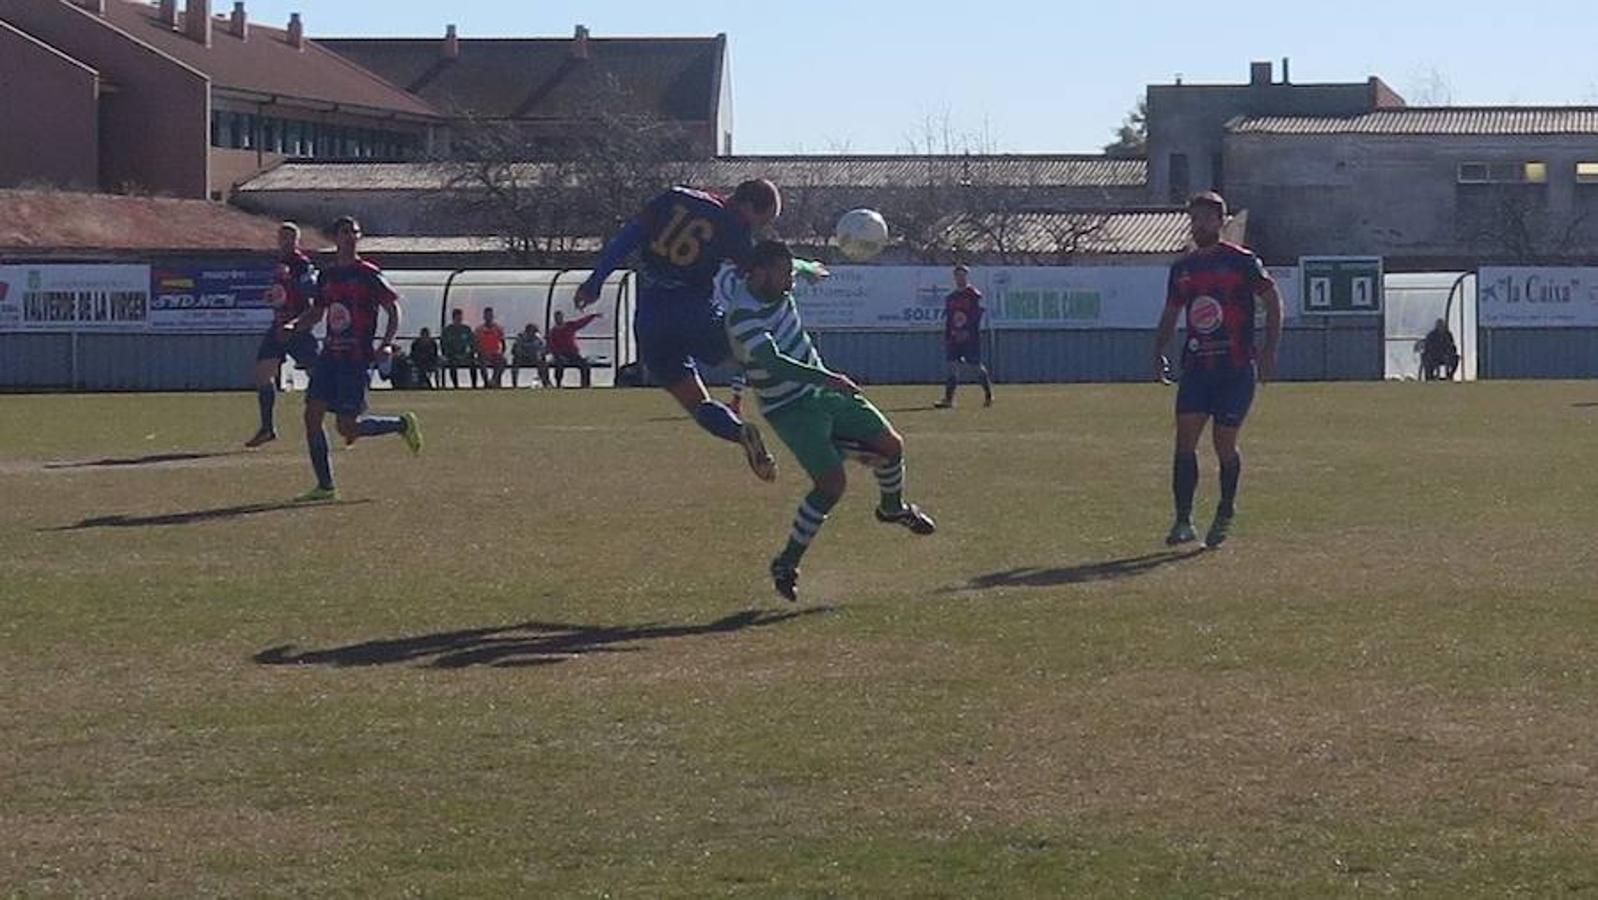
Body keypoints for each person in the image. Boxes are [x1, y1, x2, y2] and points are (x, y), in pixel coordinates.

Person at [725, 239, 936, 602]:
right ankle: (786, 563)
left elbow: (803, 266)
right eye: (784, 275)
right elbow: (771, 362)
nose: (791, 282)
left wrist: (813, 269)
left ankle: (891, 509)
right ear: (758, 274)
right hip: (789, 407)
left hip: (822, 391)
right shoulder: (742, 314)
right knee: (831, 485)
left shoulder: (782, 276)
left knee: (892, 446)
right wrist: (828, 378)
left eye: (792, 274)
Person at [572, 179, 795, 480]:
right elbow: (758, 276)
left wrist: (595, 282)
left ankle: (740, 432)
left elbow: (627, 239)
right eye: (762, 220)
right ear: (749, 207)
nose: (756, 229)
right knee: (753, 358)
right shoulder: (734, 227)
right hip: (694, 312)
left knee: (697, 403)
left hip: (650, 318)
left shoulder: (675, 197)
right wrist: (795, 274)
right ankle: (817, 418)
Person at [1151, 192, 1283, 550]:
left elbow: (1272, 301)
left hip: (1235, 369)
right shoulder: (1183, 269)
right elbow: (1171, 313)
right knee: (1184, 441)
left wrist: (1270, 350)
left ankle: (1225, 512)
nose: (1199, 225)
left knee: (1224, 443)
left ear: (1221, 223)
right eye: (1194, 219)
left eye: (1206, 219)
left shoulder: (1242, 262)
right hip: (1197, 368)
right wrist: (1158, 349)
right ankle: (1183, 520)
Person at [288, 216, 422, 502]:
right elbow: (318, 311)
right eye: (344, 232)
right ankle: (325, 487)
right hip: (329, 357)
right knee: (312, 416)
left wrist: (387, 343)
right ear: (335, 237)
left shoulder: (368, 273)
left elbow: (393, 309)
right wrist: (297, 324)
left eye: (354, 232)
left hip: (356, 358)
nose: (350, 236)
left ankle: (401, 424)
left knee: (347, 427)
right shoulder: (327, 276)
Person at [245, 222, 319, 447]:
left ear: (297, 241)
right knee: (262, 375)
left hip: (297, 328)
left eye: (290, 238)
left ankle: (348, 416)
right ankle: (267, 428)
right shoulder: (279, 263)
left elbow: (311, 293)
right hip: (278, 326)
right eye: (282, 237)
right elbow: (281, 293)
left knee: (320, 377)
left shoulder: (301, 264)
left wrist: (299, 321)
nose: (285, 242)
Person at [934, 263, 993, 408]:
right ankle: (949, 399)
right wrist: (949, 334)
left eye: (962, 275)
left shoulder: (973, 294)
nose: (960, 278)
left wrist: (968, 331)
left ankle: (988, 395)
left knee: (975, 366)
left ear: (966, 276)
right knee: (952, 365)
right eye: (957, 275)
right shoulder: (951, 297)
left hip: (970, 337)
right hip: (954, 336)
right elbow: (949, 318)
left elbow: (977, 315)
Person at [547, 309, 599, 388]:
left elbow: (581, 322)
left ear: (562, 317)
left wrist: (592, 316)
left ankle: (585, 385)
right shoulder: (553, 331)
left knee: (585, 366)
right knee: (559, 365)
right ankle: (558, 384)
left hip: (573, 353)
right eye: (557, 318)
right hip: (560, 354)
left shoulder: (570, 325)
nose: (559, 319)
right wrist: (557, 355)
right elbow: (552, 346)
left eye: (560, 317)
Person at [441, 308, 479, 389]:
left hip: (465, 355)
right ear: (453, 318)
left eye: (460, 317)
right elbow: (444, 345)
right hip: (452, 356)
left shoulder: (466, 329)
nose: (459, 319)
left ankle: (474, 385)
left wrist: (468, 353)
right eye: (457, 318)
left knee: (473, 363)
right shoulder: (447, 330)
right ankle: (456, 386)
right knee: (452, 364)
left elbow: (472, 343)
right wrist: (451, 354)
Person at [476, 307, 508, 388]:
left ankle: (494, 380)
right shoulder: (479, 329)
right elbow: (476, 343)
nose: (488, 317)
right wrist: (481, 351)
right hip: (483, 354)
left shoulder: (498, 328)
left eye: (490, 315)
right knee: (482, 362)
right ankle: (486, 382)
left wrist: (501, 353)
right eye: (487, 315)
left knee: (502, 361)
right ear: (484, 316)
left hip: (495, 353)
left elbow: (503, 343)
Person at [511, 323, 548, 388]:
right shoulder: (520, 338)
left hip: (535, 358)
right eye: (531, 331)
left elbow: (543, 349)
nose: (532, 333)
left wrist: (540, 354)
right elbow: (515, 350)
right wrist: (522, 353)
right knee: (515, 361)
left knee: (542, 363)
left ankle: (545, 383)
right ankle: (514, 384)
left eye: (534, 331)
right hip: (523, 358)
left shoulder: (538, 339)